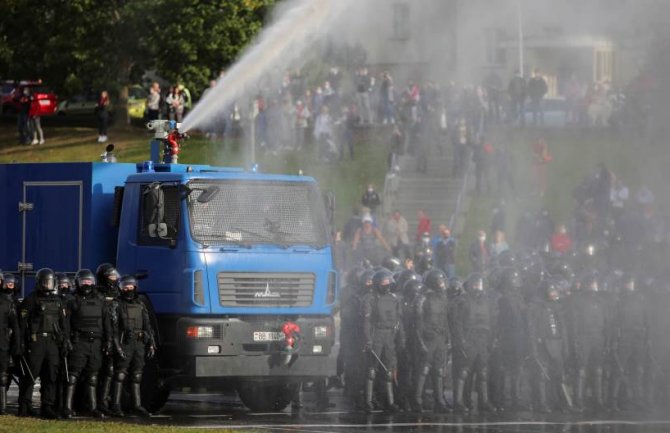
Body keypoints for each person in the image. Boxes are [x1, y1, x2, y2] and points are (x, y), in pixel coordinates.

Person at [18, 268, 71, 419]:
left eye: (51, 282)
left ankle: (47, 406)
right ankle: (24, 406)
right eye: (46, 282)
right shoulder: (31, 300)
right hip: (36, 342)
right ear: (40, 283)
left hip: (53, 342)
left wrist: (66, 341)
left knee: (51, 375)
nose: (49, 285)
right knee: (30, 374)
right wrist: (21, 343)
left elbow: (64, 323)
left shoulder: (58, 301)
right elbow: (22, 324)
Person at [63, 269, 111, 419]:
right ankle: (67, 407)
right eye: (84, 281)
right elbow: (66, 324)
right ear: (77, 283)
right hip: (79, 342)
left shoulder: (100, 301)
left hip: (96, 343)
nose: (87, 284)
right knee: (73, 377)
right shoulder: (72, 301)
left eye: (89, 281)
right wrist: (67, 341)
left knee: (93, 378)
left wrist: (108, 341)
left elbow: (107, 323)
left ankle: (93, 408)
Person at [110, 275, 156, 417]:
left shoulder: (141, 304)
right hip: (125, 342)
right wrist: (117, 346)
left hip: (140, 343)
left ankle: (137, 405)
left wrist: (151, 343)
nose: (129, 289)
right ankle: (115, 406)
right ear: (120, 288)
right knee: (120, 374)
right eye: (126, 286)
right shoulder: (116, 304)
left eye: (131, 286)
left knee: (137, 375)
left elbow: (148, 325)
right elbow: (113, 328)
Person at [449, 274, 496, 413]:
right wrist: (461, 340)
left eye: (479, 284)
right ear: (469, 286)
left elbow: (491, 322)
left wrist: (491, 339)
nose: (477, 287)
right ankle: (458, 402)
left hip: (483, 339)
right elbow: (456, 323)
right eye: (475, 284)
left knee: (482, 372)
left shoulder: (486, 301)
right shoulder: (461, 301)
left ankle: (484, 401)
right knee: (463, 372)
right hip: (468, 339)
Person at [362, 270, 404, 412]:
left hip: (390, 335)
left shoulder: (394, 299)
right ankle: (368, 401)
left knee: (388, 370)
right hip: (377, 335)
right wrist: (368, 340)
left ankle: (390, 402)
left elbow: (399, 320)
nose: (387, 284)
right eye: (384, 282)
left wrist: (400, 338)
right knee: (372, 370)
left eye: (388, 281)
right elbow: (367, 322)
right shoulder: (370, 299)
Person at [527, 282, 573, 413]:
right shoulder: (535, 307)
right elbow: (532, 329)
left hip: (557, 344)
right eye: (551, 291)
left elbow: (562, 329)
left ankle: (558, 402)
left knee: (558, 375)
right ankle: (542, 403)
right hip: (543, 344)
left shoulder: (557, 307)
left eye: (555, 291)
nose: (554, 294)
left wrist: (565, 346)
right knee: (542, 375)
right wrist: (534, 347)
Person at [567, 274, 608, 412]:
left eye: (595, 283)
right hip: (583, 337)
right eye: (592, 283)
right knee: (581, 370)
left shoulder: (601, 301)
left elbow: (606, 322)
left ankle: (599, 400)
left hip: (598, 338)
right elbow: (573, 323)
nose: (594, 286)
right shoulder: (578, 301)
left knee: (598, 370)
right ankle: (579, 400)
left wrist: (606, 339)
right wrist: (575, 341)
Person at [608, 275, 648, 411]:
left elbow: (645, 320)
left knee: (638, 370)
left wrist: (647, 338)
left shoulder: (640, 299)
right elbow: (613, 322)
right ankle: (614, 401)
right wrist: (614, 340)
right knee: (619, 370)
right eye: (628, 283)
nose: (630, 285)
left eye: (631, 282)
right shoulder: (618, 300)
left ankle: (638, 400)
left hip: (638, 338)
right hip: (623, 338)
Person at [413, 270, 449, 413]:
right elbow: (418, 324)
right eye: (440, 281)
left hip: (440, 338)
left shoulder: (443, 298)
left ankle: (439, 400)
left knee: (439, 371)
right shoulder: (422, 299)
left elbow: (446, 320)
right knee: (424, 370)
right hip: (428, 339)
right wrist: (421, 342)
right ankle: (417, 400)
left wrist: (448, 339)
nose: (442, 284)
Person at [95, 263, 120, 415]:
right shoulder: (97, 294)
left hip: (117, 335)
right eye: (111, 276)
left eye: (115, 276)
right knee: (98, 371)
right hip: (102, 336)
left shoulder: (118, 292)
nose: (114, 278)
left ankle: (110, 402)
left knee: (113, 371)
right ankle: (98, 402)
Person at [0, 271, 20, 415]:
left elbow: (16, 326)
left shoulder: (7, 302)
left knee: (3, 376)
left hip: (3, 344)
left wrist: (17, 345)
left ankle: (2, 407)